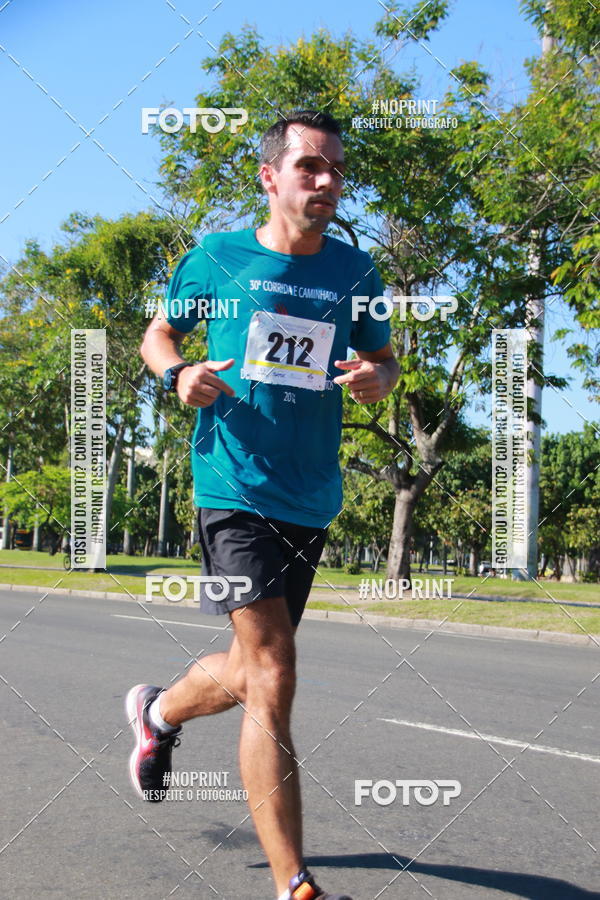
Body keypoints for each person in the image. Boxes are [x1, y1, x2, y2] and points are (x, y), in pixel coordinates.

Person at [126, 109, 399, 900]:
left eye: (336, 171)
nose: (327, 182)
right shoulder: (215, 259)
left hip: (310, 496)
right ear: (269, 176)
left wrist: (381, 379)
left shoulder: (358, 274)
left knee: (250, 670)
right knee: (275, 673)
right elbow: (158, 334)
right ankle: (296, 886)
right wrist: (176, 374)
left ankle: (159, 710)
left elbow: (385, 360)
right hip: (230, 489)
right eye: (311, 166)